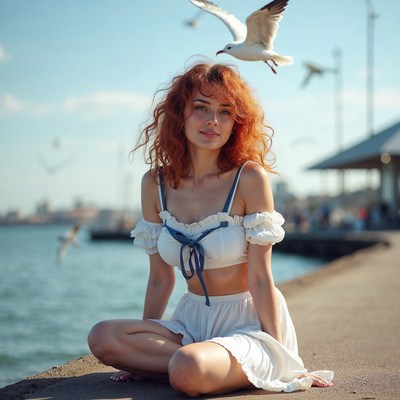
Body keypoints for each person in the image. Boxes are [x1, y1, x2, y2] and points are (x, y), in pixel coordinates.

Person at [87, 61, 333, 396]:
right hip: (190, 323)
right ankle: (185, 365)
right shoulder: (154, 184)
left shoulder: (248, 178)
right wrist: (140, 354)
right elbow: (160, 277)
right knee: (102, 337)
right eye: (201, 108)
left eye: (225, 112)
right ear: (180, 114)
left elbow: (260, 278)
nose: (212, 121)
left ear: (236, 122)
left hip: (247, 323)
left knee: (188, 369)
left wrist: (281, 356)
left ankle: (203, 366)